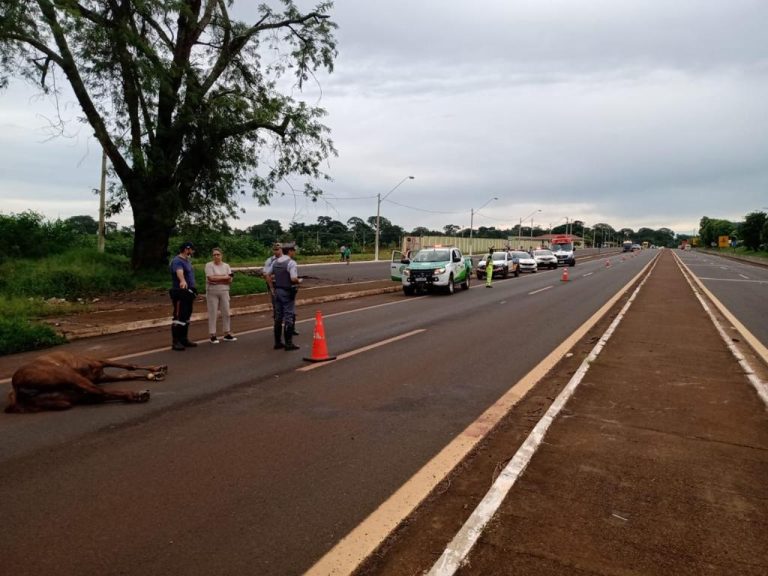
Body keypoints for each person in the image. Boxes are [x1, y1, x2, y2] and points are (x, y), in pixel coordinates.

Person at [270, 243, 301, 351]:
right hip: (287, 291)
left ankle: (278, 342)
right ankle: (289, 343)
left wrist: (272, 287)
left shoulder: (275, 262)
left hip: (277, 291)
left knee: (278, 317)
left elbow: (268, 274)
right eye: (294, 250)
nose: (294, 252)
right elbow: (293, 278)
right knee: (288, 316)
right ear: (290, 251)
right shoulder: (291, 263)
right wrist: (299, 281)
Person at [264, 242, 299, 336]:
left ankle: (290, 330)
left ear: (282, 250)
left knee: (289, 312)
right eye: (275, 249)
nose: (277, 251)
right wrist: (271, 288)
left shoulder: (279, 261)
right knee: (280, 312)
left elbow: (267, 274)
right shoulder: (271, 261)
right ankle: (287, 340)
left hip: (280, 288)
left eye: (278, 249)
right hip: (279, 288)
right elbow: (266, 274)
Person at [169, 241, 198, 351]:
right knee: (178, 316)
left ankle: (184, 339)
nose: (193, 251)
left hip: (188, 292)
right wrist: (182, 280)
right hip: (180, 292)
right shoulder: (177, 261)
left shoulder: (187, 261)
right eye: (192, 249)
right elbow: (179, 272)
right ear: (187, 249)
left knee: (186, 315)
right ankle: (176, 341)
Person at [205, 247, 236, 344]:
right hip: (212, 291)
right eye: (214, 255)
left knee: (226, 312)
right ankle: (213, 334)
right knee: (213, 313)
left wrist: (218, 278)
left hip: (224, 291)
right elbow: (211, 278)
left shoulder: (226, 266)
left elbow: (230, 279)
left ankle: (227, 333)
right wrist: (224, 277)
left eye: (218, 254)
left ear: (221, 255)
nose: (216, 256)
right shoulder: (209, 265)